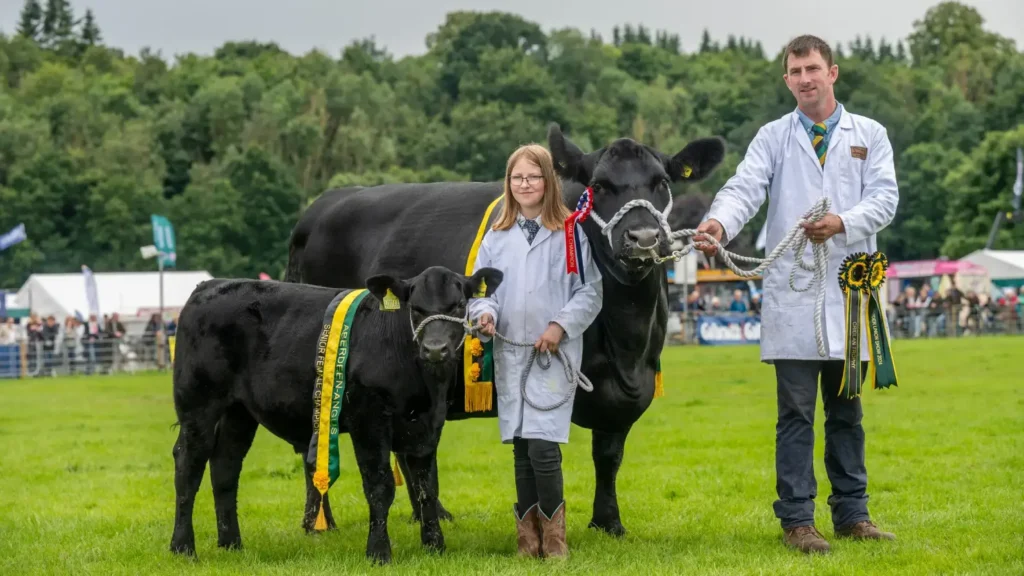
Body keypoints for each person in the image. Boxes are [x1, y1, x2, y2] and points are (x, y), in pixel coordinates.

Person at [694, 34, 898, 554]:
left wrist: (842, 222)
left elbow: (885, 199)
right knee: (796, 413)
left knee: (848, 411)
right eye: (794, 71)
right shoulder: (773, 136)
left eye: (812, 68)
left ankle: (854, 513)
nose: (804, 78)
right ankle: (798, 520)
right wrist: (718, 222)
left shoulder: (868, 134)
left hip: (849, 291)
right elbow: (745, 186)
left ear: (832, 72)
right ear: (786, 80)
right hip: (794, 288)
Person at [468, 143, 603, 559]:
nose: (525, 184)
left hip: (551, 354)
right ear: (508, 184)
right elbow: (481, 292)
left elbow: (591, 291)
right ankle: (528, 542)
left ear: (549, 181)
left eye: (533, 176)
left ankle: (555, 540)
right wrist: (485, 315)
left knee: (544, 445)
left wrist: (560, 325)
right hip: (511, 353)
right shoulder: (496, 235)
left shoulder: (570, 231)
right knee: (522, 447)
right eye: (517, 178)